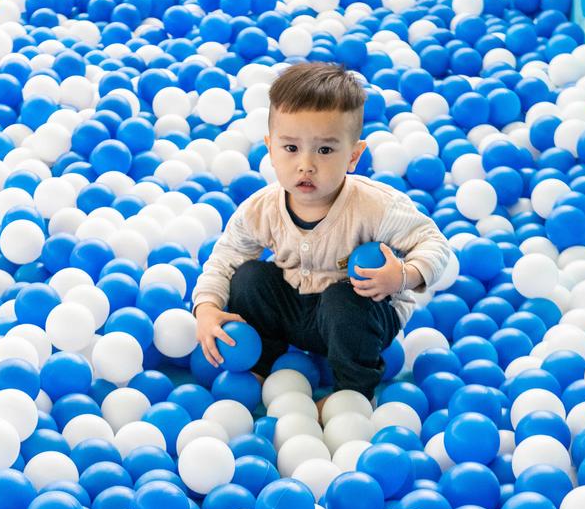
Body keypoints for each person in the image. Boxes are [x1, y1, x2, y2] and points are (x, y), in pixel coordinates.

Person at [192, 62, 451, 409]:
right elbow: (225, 258)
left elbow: (433, 242)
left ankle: (351, 391)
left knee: (342, 301)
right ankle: (263, 365)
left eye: (325, 150)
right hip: (296, 310)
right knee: (250, 277)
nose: (306, 165)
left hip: (360, 316)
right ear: (270, 148)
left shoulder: (375, 205)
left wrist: (403, 276)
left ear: (354, 156)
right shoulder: (262, 209)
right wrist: (207, 308)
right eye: (291, 148)